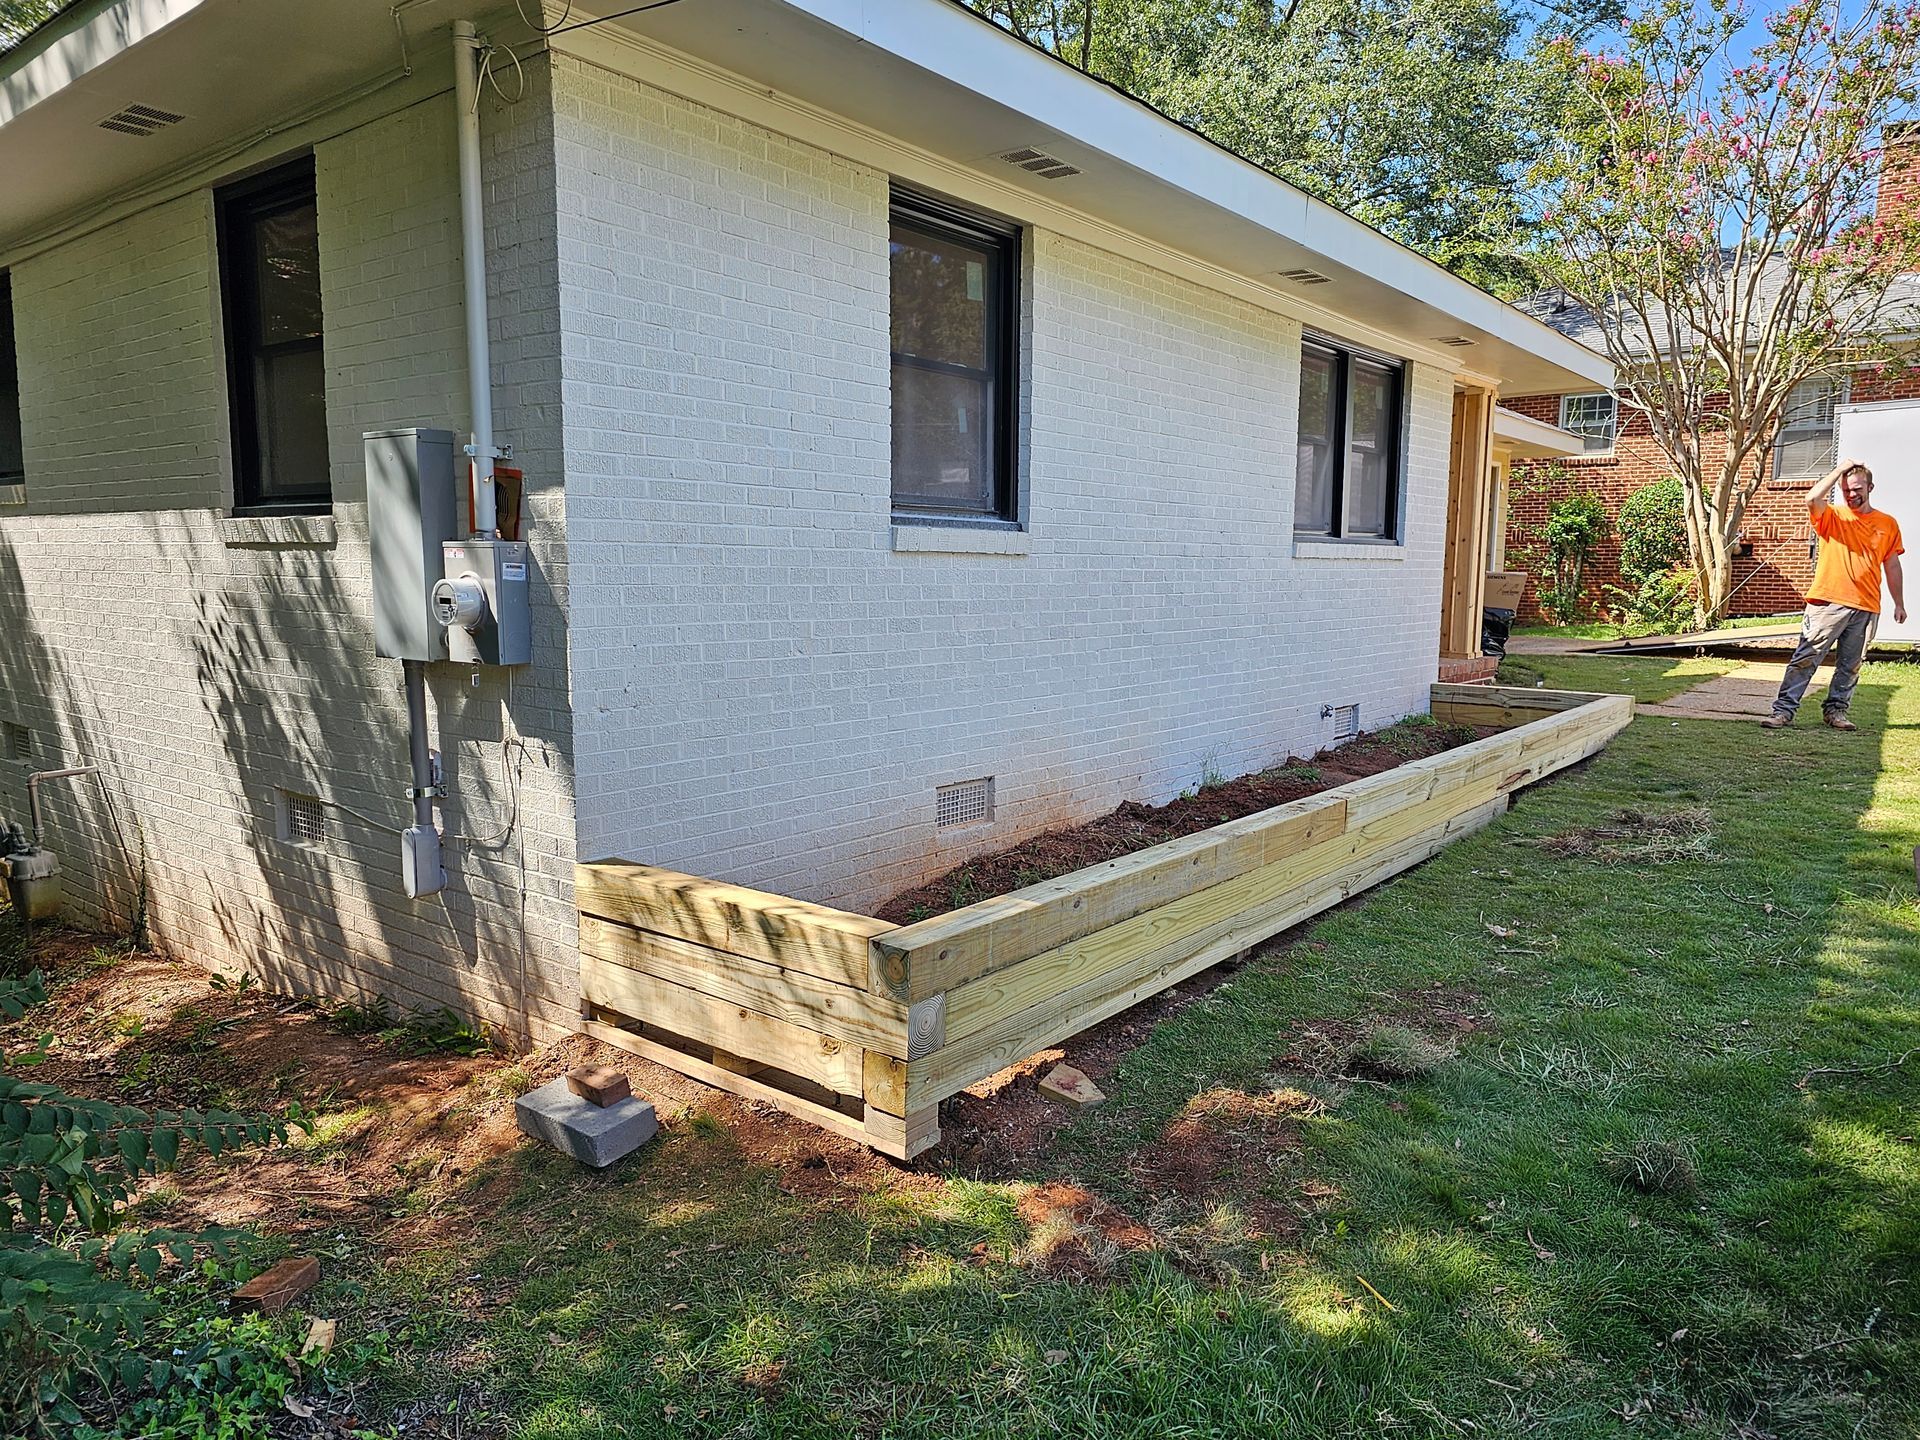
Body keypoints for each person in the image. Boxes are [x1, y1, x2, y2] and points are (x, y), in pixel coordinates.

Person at [1762, 458, 1906, 731]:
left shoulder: (1887, 523)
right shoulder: (1832, 516)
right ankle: (1783, 712)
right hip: (1828, 602)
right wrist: (1839, 470)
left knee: (1850, 665)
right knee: (1806, 658)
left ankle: (1836, 712)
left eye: (1857, 489)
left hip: (1866, 605)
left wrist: (1899, 603)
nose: (1852, 494)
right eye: (1846, 489)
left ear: (1870, 487)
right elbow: (1812, 497)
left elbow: (1892, 564)